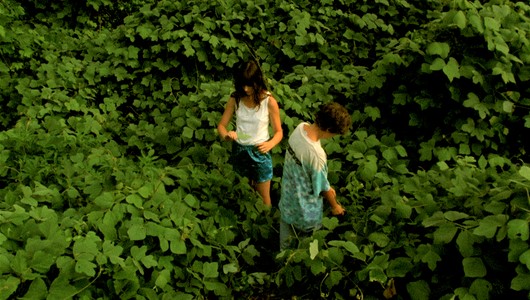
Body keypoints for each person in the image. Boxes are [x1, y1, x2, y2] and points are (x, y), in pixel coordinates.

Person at [279, 102, 351, 250]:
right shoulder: (316, 155)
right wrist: (335, 206)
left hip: (287, 203)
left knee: (285, 247)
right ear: (329, 129)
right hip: (306, 214)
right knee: (308, 249)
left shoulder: (299, 129)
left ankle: (282, 268)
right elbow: (322, 188)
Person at [217, 60, 283, 207]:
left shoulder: (269, 101)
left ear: (257, 81)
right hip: (240, 149)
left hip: (259, 151)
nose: (245, 89)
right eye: (242, 84)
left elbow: (279, 132)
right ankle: (245, 220)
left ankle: (266, 223)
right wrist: (227, 135)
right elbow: (221, 125)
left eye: (249, 85)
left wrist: (270, 144)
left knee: (263, 196)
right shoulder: (236, 98)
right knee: (243, 191)